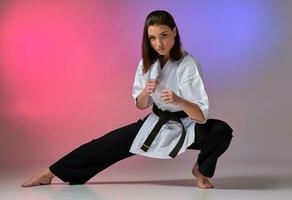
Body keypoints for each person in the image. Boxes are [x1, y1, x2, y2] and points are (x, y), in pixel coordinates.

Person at [21, 10, 233, 189]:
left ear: (175, 32)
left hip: (187, 124)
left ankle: (201, 171)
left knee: (221, 131)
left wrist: (179, 101)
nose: (159, 43)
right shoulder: (146, 64)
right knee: (104, 145)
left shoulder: (189, 64)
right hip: (156, 123)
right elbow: (141, 105)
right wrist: (145, 93)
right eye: (152, 38)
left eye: (164, 35)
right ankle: (50, 172)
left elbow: (201, 117)